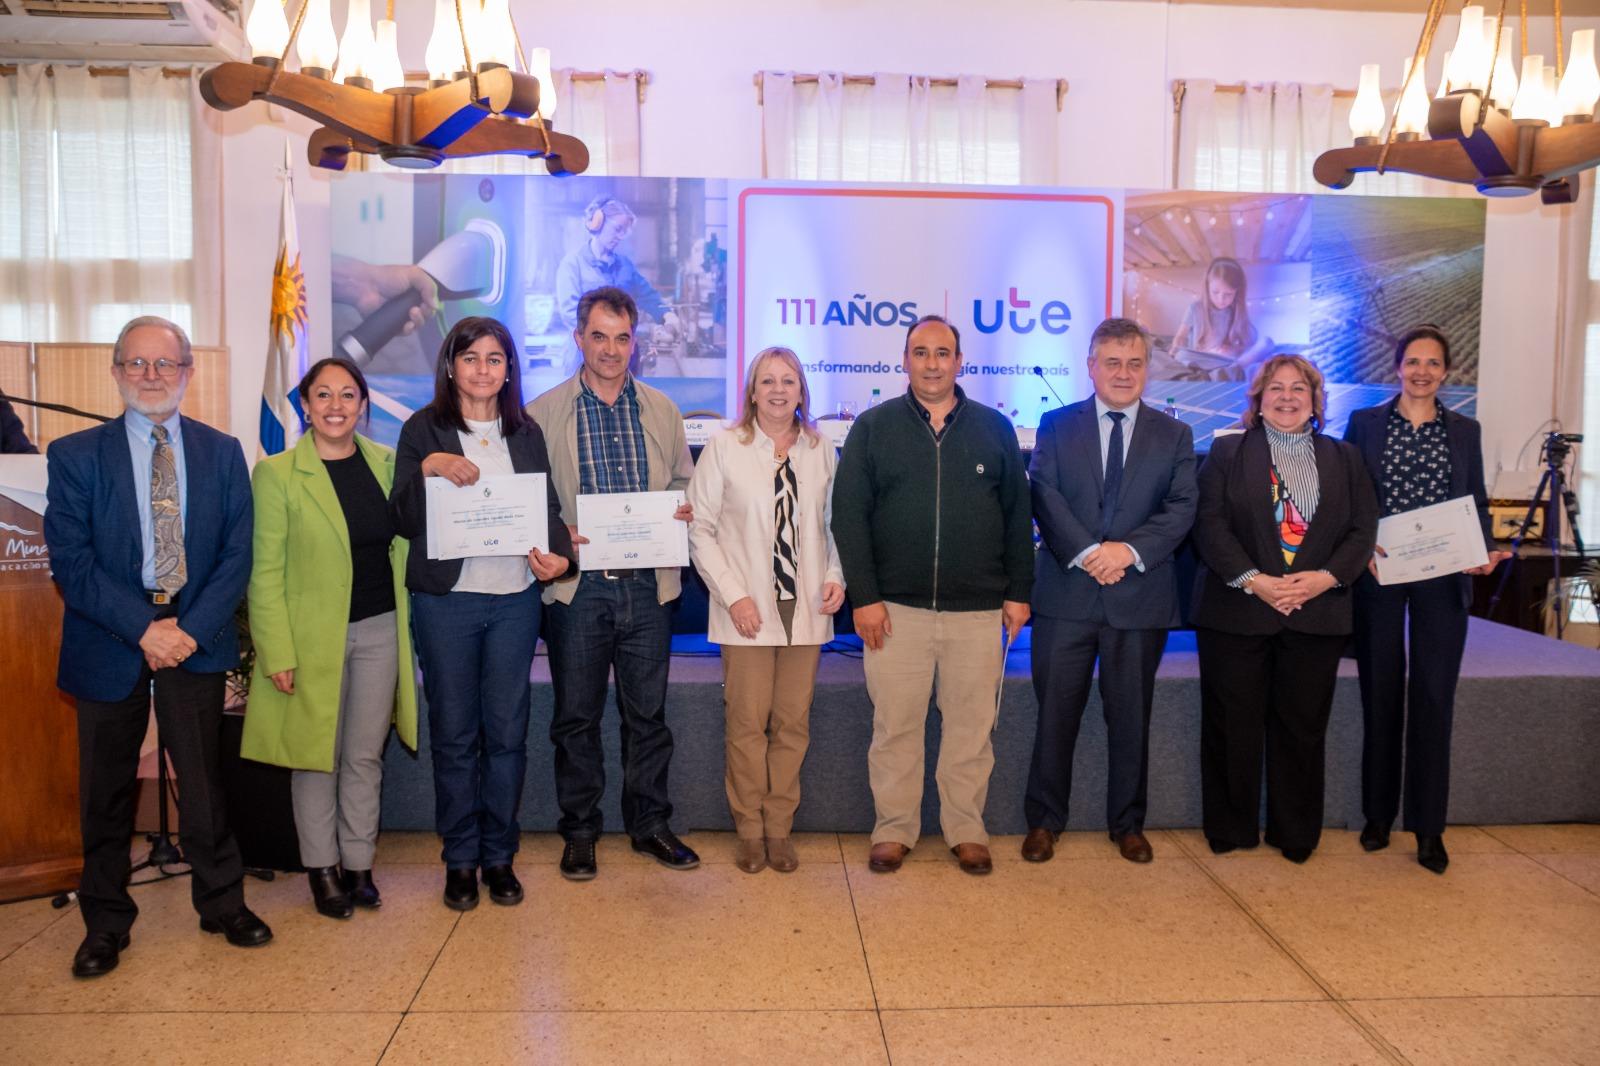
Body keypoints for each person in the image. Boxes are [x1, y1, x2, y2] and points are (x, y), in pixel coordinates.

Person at [44, 316, 269, 978]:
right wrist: (144, 630)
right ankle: (107, 923)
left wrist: (188, 629)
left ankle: (222, 902)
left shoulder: (222, 451)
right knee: (106, 793)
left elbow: (236, 553)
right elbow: (72, 562)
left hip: (194, 633)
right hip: (110, 638)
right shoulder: (75, 455)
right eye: (136, 364)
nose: (150, 376)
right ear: (115, 372)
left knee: (204, 786)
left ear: (188, 372)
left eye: (164, 364)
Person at [831, 314, 1033, 876]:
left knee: (971, 728)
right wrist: (865, 596)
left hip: (978, 612)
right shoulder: (873, 428)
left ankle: (966, 829)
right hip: (895, 611)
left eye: (943, 353)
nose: (932, 364)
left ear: (959, 362)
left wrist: (1019, 593)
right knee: (895, 727)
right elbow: (848, 517)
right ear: (905, 360)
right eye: (921, 352)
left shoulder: (995, 429)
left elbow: (1019, 518)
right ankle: (894, 830)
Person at [390, 316, 574, 911]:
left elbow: (544, 507)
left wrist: (560, 560)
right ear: (450, 365)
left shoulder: (525, 431)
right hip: (446, 603)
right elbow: (400, 514)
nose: (482, 370)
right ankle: (460, 860)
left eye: (495, 359)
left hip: (515, 601)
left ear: (508, 369)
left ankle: (499, 855)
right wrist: (429, 468)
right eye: (471, 358)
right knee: (454, 734)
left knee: (506, 734)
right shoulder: (424, 428)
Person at [527, 285, 699, 881]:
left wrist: (681, 508)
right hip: (580, 590)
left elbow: (684, 482)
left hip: (649, 587)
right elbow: (534, 502)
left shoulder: (662, 409)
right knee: (575, 717)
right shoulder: (543, 412)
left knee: (647, 717)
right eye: (598, 336)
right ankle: (579, 832)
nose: (610, 349)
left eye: (622, 337)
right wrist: (558, 530)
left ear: (636, 342)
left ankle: (650, 825)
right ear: (579, 339)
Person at [241, 358, 417, 918]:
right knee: (315, 757)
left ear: (363, 405)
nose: (336, 406)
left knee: (364, 755)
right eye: (323, 395)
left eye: (347, 395)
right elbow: (263, 571)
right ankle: (321, 869)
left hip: (381, 629)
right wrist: (276, 652)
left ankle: (359, 864)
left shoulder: (388, 464)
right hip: (309, 639)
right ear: (305, 405)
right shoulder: (276, 474)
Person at [1022, 318, 1197, 865]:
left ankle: (1128, 824)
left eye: (1135, 363)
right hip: (1066, 596)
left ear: (1148, 369)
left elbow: (1182, 507)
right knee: (1055, 714)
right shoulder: (1055, 424)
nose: (1124, 373)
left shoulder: (1175, 435)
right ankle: (1045, 822)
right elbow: (1044, 495)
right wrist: (1088, 553)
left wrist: (1126, 552)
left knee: (1130, 718)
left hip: (1138, 597)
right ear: (1091, 366)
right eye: (1113, 362)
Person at [1190, 353, 1377, 864]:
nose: (1288, 397)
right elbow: (1209, 525)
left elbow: (1363, 530)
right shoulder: (1228, 453)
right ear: (1258, 399)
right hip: (1237, 611)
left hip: (1316, 613)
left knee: (1301, 727)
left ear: (1316, 401)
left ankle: (1295, 832)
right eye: (1276, 387)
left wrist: (1324, 579)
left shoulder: (1345, 458)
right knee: (1233, 724)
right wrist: (1255, 581)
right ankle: (1231, 826)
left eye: (1300, 388)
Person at [1344, 325, 1509, 875]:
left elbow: (1475, 499)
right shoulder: (1366, 424)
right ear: (1396, 367)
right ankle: (1377, 816)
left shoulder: (1465, 429)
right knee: (1381, 695)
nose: (1421, 371)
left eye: (1432, 363)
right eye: (1412, 361)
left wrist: (1481, 549)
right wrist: (1361, 548)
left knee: (1435, 700)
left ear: (1446, 372)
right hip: (1379, 575)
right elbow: (1351, 499)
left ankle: (1429, 829)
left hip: (1443, 578)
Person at [687, 346, 846, 874]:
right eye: (767, 381)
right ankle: (750, 829)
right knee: (748, 725)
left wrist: (834, 577)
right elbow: (700, 529)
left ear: (802, 391)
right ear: (751, 392)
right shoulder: (724, 448)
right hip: (747, 611)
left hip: (804, 612)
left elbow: (834, 526)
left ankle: (780, 829)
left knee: (792, 725)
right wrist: (734, 594)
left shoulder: (821, 450)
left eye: (789, 381)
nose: (778, 390)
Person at [554, 196, 680, 372]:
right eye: (617, 229)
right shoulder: (573, 265)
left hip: (620, 359)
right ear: (598, 223)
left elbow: (648, 295)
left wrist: (667, 315)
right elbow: (570, 312)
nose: (620, 237)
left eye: (624, 232)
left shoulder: (624, 266)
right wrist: (605, 336)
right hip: (584, 359)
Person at [1168, 257, 1271, 380]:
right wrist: (1174, 350)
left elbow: (1246, 342)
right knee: (1182, 355)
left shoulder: (1234, 312)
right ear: (1207, 287)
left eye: (1228, 294)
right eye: (1215, 292)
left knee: (1266, 342)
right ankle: (1237, 367)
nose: (1221, 299)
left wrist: (1231, 348)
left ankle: (1235, 367)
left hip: (1223, 360)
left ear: (1237, 292)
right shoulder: (1195, 308)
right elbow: (1180, 336)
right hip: (1200, 358)